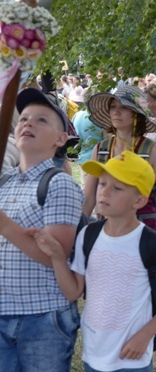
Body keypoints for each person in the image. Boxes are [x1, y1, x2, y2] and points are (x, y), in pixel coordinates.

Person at [29, 151, 156, 372]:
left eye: (117, 188)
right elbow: (74, 291)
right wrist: (57, 256)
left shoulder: (152, 243)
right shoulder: (88, 235)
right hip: (93, 354)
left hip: (133, 359)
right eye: (102, 184)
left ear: (140, 200)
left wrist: (145, 335)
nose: (104, 192)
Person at [0, 88, 84, 371]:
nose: (28, 124)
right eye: (23, 119)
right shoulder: (5, 183)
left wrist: (5, 225)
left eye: (41, 120)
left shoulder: (60, 184)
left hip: (42, 315)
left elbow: (55, 256)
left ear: (61, 139)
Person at [84, 86, 156, 264]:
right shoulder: (101, 150)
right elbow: (89, 197)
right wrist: (75, 230)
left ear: (136, 114)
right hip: (110, 229)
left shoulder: (152, 150)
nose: (116, 112)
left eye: (123, 108)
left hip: (147, 228)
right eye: (113, 107)